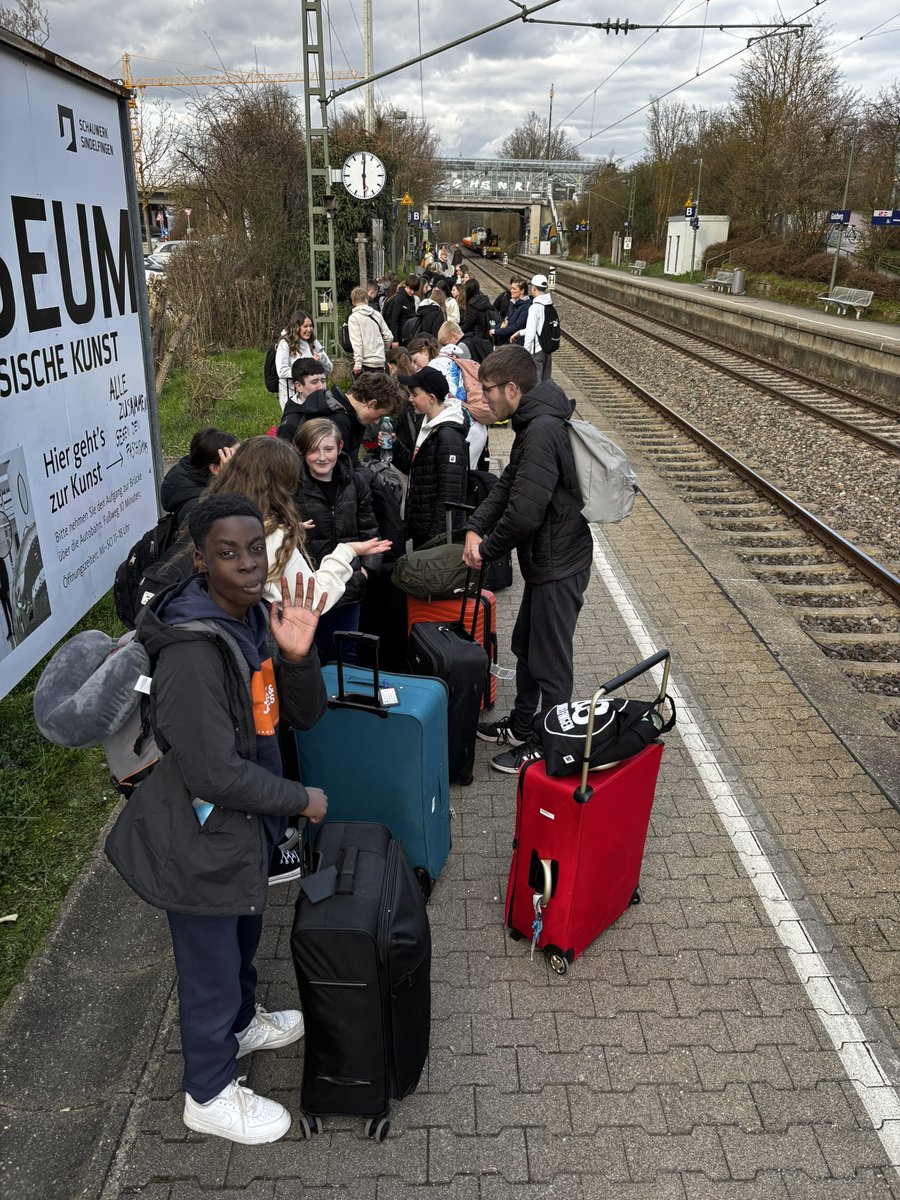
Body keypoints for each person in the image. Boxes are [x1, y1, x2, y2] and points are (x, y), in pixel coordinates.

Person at [105, 493, 331, 1146]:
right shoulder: (191, 653)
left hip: (242, 825)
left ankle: (240, 1023)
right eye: (227, 554)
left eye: (254, 548)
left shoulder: (254, 617)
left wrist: (296, 655)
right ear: (202, 562)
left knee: (238, 937)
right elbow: (212, 774)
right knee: (206, 961)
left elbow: (304, 714)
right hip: (198, 831)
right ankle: (206, 1092)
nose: (247, 564)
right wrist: (299, 800)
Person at [462, 346, 592, 774]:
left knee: (551, 663)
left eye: (488, 391)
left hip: (559, 563)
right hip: (545, 561)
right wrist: (475, 527)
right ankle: (523, 725)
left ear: (513, 389)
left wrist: (487, 550)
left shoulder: (540, 431)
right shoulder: (531, 424)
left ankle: (551, 746)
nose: (484, 400)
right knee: (527, 648)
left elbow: (525, 513)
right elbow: (507, 487)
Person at [293, 419, 388, 662]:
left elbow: (370, 531)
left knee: (346, 650)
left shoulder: (356, 483)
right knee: (310, 651)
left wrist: (364, 572)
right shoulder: (293, 487)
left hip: (348, 585)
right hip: (310, 591)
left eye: (328, 449)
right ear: (302, 452)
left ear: (340, 446)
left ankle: (344, 699)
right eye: (313, 450)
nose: (322, 457)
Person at [395, 365, 469, 549]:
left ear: (431, 398)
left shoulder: (448, 436)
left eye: (414, 394)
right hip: (422, 529)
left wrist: (434, 541)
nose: (410, 399)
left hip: (435, 537)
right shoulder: (428, 423)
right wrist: (395, 445)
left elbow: (449, 495)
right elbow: (418, 469)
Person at [159, 428, 239, 524]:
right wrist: (231, 479)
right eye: (236, 457)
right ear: (214, 468)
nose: (243, 460)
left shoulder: (209, 483)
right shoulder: (197, 507)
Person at [274, 311, 333, 412]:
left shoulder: (313, 342)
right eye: (305, 326)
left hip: (313, 394)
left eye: (311, 326)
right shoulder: (285, 344)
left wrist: (321, 358)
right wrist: (306, 370)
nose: (309, 330)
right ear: (296, 327)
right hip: (291, 395)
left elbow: (329, 368)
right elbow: (282, 371)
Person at [347, 285, 392, 375]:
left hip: (365, 363)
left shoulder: (354, 318)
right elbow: (389, 336)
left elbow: (357, 342)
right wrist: (384, 349)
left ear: (353, 302)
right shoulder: (377, 314)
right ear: (366, 299)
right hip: (380, 361)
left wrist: (358, 363)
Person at [522, 273, 555, 381]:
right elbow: (541, 327)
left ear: (534, 288)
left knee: (536, 383)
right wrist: (521, 332)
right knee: (546, 381)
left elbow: (531, 333)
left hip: (537, 351)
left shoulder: (534, 308)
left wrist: (526, 353)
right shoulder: (549, 305)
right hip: (547, 349)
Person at [493, 278, 531, 346]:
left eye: (514, 289)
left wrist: (496, 331)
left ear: (522, 291)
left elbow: (517, 326)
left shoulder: (526, 307)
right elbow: (506, 319)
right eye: (511, 288)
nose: (511, 291)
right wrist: (495, 329)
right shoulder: (513, 302)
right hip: (508, 341)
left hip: (518, 344)